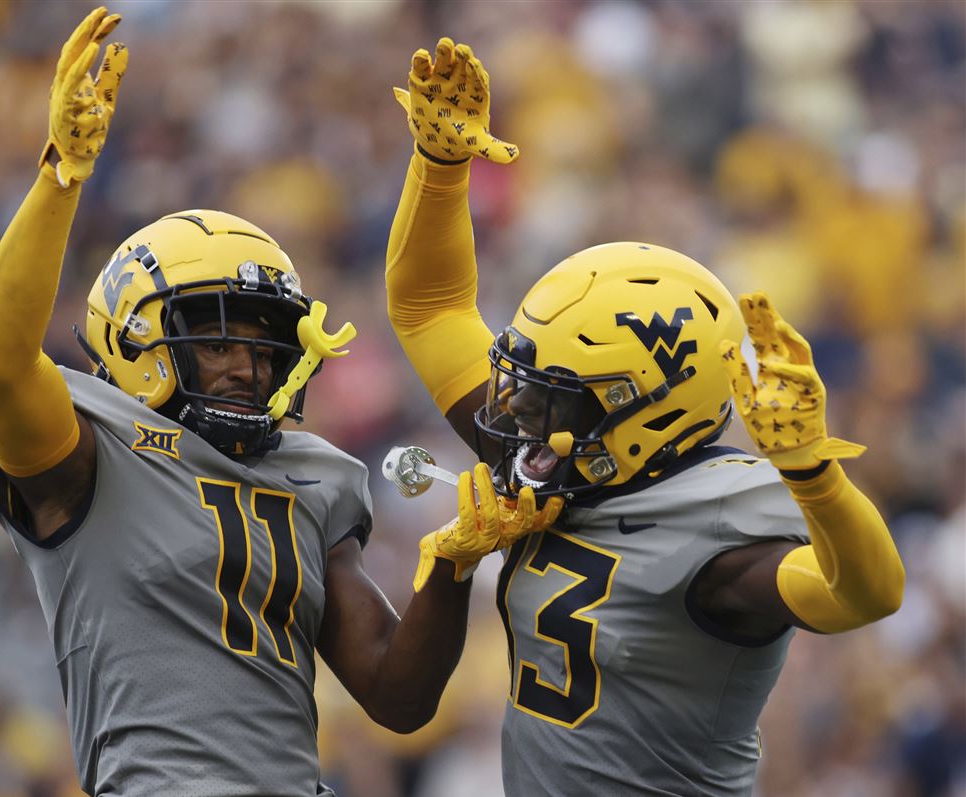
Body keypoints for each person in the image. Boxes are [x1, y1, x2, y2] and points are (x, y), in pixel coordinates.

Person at [0, 11, 560, 796]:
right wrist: (62, 175)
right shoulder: (87, 450)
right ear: (138, 341)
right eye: (217, 343)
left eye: (265, 348)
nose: (247, 366)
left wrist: (449, 568)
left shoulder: (310, 472)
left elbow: (397, 694)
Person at [386, 38, 906, 796]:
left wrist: (814, 477)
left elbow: (865, 594)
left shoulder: (721, 526)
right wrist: (439, 169)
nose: (517, 413)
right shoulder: (555, 454)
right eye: (525, 383)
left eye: (552, 395)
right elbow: (430, 309)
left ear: (646, 412)